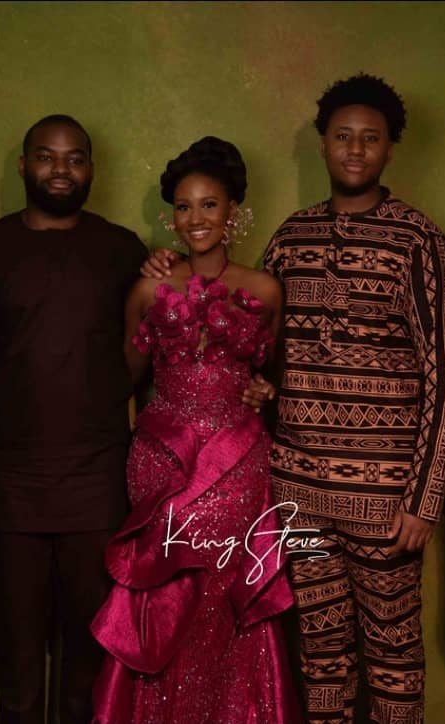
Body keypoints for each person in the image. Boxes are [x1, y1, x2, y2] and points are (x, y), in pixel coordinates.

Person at [145, 73, 445, 724]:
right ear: (323, 144)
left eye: (369, 138)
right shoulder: (292, 238)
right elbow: (259, 342)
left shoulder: (416, 241)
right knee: (320, 651)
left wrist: (424, 497)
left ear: (389, 148)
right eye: (343, 136)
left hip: (383, 502)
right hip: (300, 498)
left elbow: (444, 374)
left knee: (393, 653)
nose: (355, 149)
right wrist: (262, 385)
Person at [90, 137, 300, 723]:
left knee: (225, 593)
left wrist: (266, 391)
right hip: (163, 464)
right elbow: (128, 380)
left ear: (234, 210)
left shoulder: (265, 289)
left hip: (238, 465)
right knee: (164, 590)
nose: (196, 218)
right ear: (172, 217)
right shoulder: (146, 289)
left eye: (209, 204)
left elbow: (275, 378)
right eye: (183, 207)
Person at [0, 114, 148, 724]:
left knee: (88, 662)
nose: (61, 169)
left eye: (75, 158)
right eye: (46, 156)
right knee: (18, 663)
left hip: (96, 482)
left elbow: (154, 352)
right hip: (11, 487)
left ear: (91, 168)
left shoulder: (123, 251)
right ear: (23, 165)